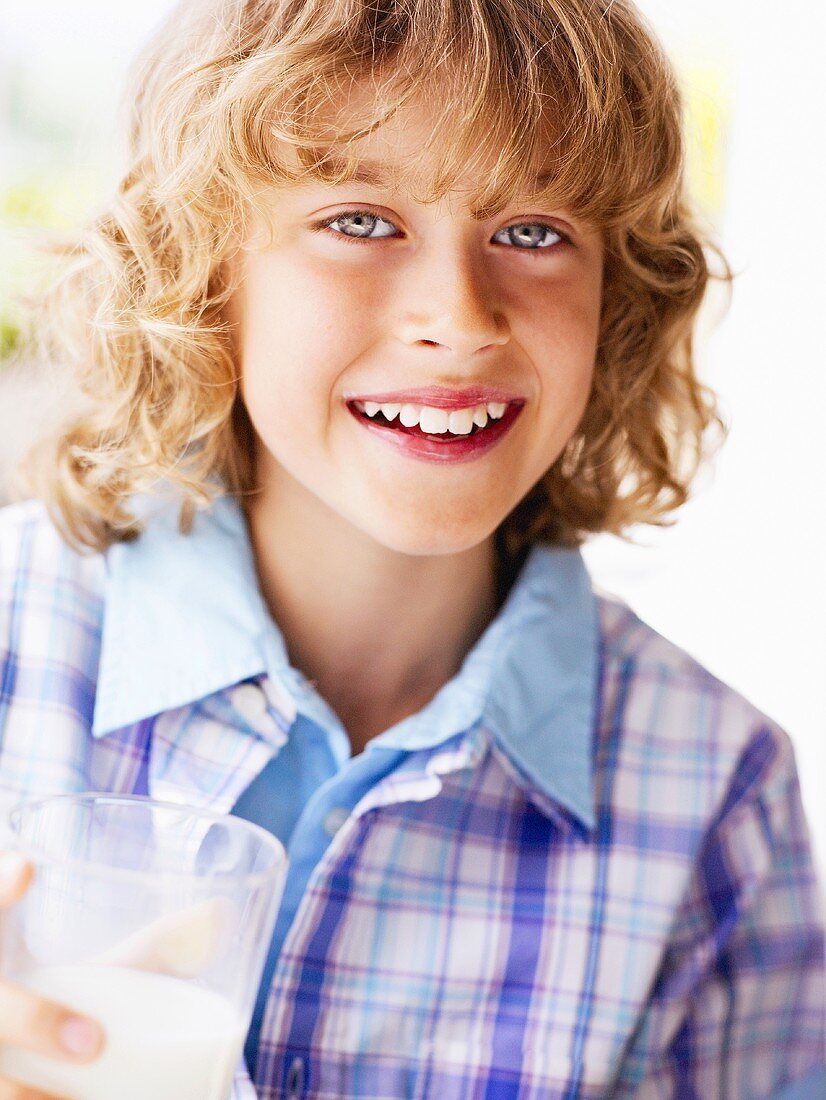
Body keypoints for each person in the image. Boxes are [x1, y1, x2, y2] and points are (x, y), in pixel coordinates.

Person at [0, 0, 823, 1096]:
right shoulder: (20, 640)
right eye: (359, 219)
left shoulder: (713, 791)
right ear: (202, 271)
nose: (459, 317)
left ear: (616, 299)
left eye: (533, 232)